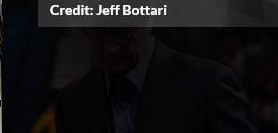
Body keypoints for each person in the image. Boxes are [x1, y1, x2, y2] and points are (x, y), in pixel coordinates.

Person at [54, 26, 258, 133]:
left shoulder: (209, 84)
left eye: (122, 31)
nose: (111, 47)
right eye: (99, 33)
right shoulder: (71, 102)